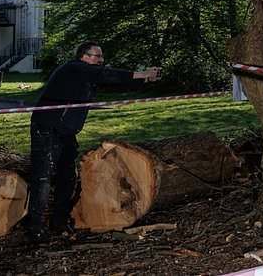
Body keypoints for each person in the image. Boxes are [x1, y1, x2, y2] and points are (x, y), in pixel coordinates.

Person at [24, 41, 161, 240]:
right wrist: (142, 73)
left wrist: (145, 80)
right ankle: (35, 227)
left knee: (68, 175)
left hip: (66, 131)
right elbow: (107, 74)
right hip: (47, 128)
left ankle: (59, 221)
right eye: (98, 57)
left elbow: (112, 80)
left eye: (101, 57)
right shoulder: (73, 68)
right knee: (43, 177)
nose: (101, 60)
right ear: (84, 57)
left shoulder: (88, 74)